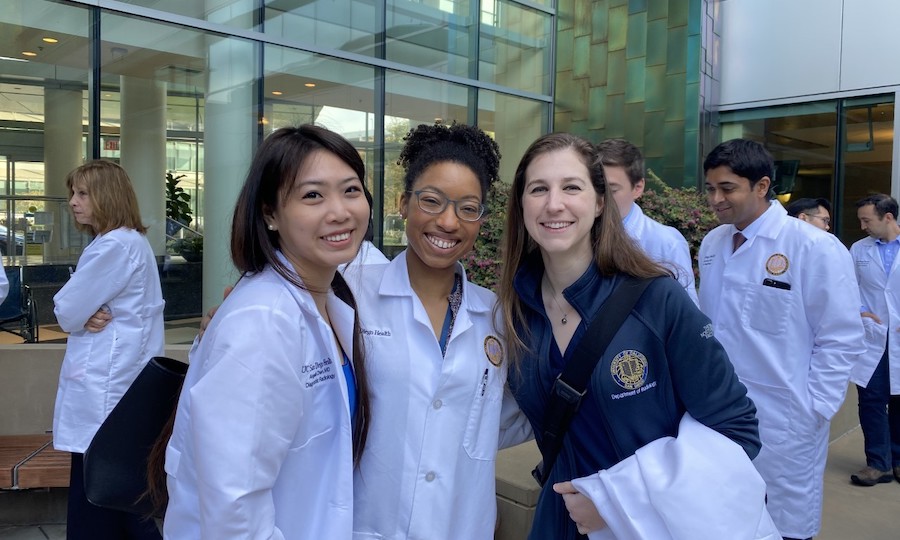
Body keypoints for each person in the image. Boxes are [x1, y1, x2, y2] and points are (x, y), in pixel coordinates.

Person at [497, 132, 770, 540]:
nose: (554, 203)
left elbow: (737, 429)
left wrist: (615, 501)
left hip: (647, 526)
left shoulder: (657, 299)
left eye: (572, 187)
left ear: (600, 202)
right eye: (539, 189)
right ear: (521, 205)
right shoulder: (514, 313)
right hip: (558, 521)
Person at [163, 125, 373, 538]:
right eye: (313, 195)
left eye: (351, 190)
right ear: (270, 213)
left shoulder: (329, 300)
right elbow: (233, 502)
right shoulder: (262, 320)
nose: (340, 211)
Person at [343, 122, 531, 539]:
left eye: (468, 208)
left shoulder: (499, 317)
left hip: (460, 526)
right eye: (431, 201)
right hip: (365, 524)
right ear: (403, 202)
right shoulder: (349, 295)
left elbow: (507, 418)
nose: (448, 222)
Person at [698, 139, 865, 540]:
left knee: (785, 524)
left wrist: (815, 408)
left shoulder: (814, 247)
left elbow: (841, 338)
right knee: (725, 518)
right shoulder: (713, 244)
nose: (715, 200)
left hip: (786, 421)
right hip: (718, 413)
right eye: (710, 188)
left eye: (727, 188)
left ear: (761, 186)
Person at [52, 160, 165, 540]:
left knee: (101, 495)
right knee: (122, 497)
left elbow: (66, 310)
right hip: (116, 386)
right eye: (73, 193)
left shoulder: (115, 245)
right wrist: (85, 315)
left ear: (107, 196)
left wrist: (79, 315)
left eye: (83, 193)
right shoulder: (126, 242)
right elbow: (78, 311)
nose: (73, 202)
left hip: (107, 388)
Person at [596, 138, 699, 305]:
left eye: (612, 190)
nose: (601, 198)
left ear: (638, 188)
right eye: (598, 188)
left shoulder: (666, 242)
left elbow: (686, 314)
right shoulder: (579, 233)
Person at [848, 194, 900, 486]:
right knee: (871, 400)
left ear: (888, 217)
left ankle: (898, 459)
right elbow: (848, 286)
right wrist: (861, 312)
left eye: (867, 220)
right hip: (873, 336)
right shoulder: (858, 249)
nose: (862, 225)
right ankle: (877, 463)